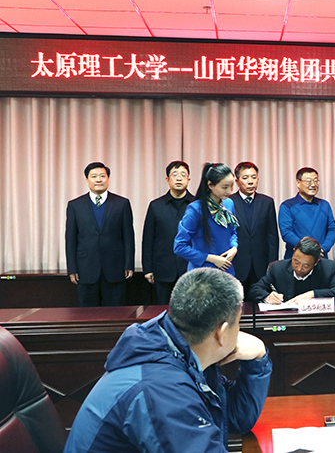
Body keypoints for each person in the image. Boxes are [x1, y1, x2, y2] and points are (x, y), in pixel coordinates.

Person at [63, 267, 272, 453]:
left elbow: (235, 418)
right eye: (238, 323)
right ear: (221, 332)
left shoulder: (179, 348)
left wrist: (258, 359)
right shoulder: (162, 388)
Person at [65, 162, 135, 307]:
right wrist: (72, 268)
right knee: (88, 314)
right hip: (86, 269)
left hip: (115, 268)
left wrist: (129, 264)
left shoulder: (122, 204)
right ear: (87, 180)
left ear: (108, 179)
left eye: (102, 176)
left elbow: (128, 237)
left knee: (116, 313)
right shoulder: (75, 205)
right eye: (94, 176)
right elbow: (70, 239)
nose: (98, 180)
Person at [142, 161, 195, 305]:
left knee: (191, 310)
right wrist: (147, 269)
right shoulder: (156, 206)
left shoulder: (197, 205)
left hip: (191, 267)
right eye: (175, 174)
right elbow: (148, 239)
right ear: (167, 179)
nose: (179, 178)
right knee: (163, 309)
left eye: (183, 175)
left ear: (188, 179)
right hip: (163, 269)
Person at [174, 163, 239, 276]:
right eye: (224, 187)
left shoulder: (229, 204)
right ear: (210, 185)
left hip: (226, 270)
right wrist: (210, 258)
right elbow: (179, 247)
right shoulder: (195, 209)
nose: (229, 191)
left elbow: (233, 232)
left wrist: (234, 247)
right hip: (201, 272)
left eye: (231, 186)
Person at [249, 237, 335, 304]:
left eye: (306, 265)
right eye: (296, 262)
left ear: (316, 262)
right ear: (293, 253)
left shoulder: (328, 268)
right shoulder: (278, 268)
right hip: (288, 319)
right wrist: (267, 296)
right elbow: (255, 289)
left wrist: (312, 294)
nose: (299, 268)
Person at [231, 162, 279, 297]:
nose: (250, 181)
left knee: (261, 304)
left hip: (261, 266)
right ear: (237, 181)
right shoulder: (228, 202)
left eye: (254, 177)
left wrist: (272, 266)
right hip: (236, 264)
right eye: (245, 178)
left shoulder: (267, 202)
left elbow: (272, 237)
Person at [279, 167, 335, 258]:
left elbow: (332, 229)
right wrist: (308, 250)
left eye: (315, 181)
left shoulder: (324, 205)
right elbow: (286, 233)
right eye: (308, 181)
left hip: (321, 257)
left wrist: (323, 248)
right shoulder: (287, 206)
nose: (313, 185)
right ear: (298, 183)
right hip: (297, 258)